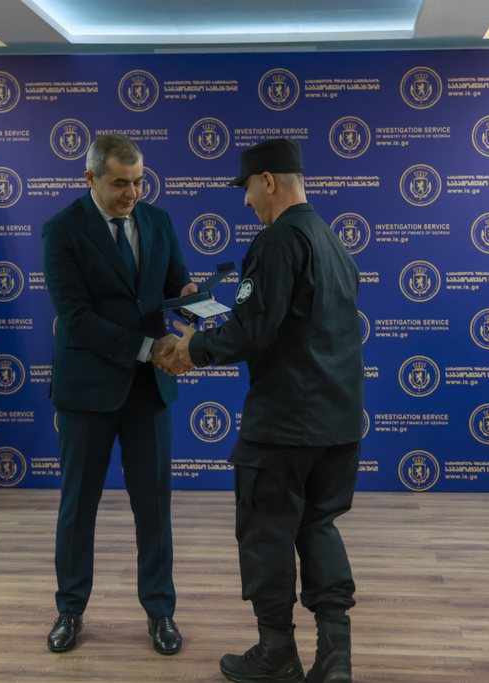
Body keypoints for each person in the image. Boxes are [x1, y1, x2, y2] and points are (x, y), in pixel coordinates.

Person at [174, 138, 364, 683]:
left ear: (269, 181)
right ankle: (335, 659)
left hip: (283, 424)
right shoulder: (331, 240)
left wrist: (193, 349)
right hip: (338, 422)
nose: (245, 200)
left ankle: (277, 653)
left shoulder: (277, 239)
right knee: (318, 526)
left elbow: (253, 330)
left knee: (266, 536)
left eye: (248, 187)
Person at [41, 134, 196, 655]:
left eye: (139, 182)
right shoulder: (62, 229)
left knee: (154, 508)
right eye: (120, 183)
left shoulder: (159, 221)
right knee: (78, 506)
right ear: (90, 179)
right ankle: (70, 609)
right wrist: (149, 348)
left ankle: (161, 612)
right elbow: (76, 319)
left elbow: (174, 288)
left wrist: (194, 301)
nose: (133, 193)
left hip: (149, 393)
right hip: (87, 392)